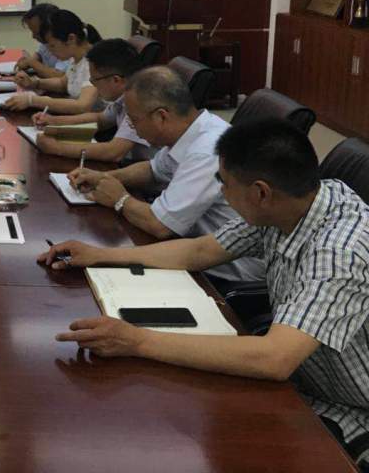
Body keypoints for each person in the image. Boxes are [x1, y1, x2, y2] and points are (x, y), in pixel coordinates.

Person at [39, 119, 369, 470]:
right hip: (304, 376)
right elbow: (200, 251)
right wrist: (100, 255)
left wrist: (136, 341)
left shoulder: (339, 253)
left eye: (224, 183)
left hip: (349, 406)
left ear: (260, 193)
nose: (222, 193)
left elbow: (275, 358)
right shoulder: (293, 202)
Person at [67, 66, 263, 282]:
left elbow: (161, 225)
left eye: (134, 120)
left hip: (221, 274)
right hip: (189, 250)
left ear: (161, 116)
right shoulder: (192, 130)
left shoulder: (207, 151)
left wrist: (119, 199)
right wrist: (106, 178)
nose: (132, 127)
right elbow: (153, 170)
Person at [32, 38, 150, 163]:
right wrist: (53, 121)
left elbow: (114, 152)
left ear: (116, 80)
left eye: (95, 80)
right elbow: (100, 119)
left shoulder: (140, 101)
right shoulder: (125, 95)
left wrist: (56, 148)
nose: (92, 84)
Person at [3, 9, 101, 115]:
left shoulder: (94, 62)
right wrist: (34, 83)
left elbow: (82, 106)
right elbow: (63, 83)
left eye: (52, 46)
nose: (50, 51)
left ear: (71, 39)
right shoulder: (76, 58)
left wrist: (32, 100)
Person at [14, 3, 70, 79]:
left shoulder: (67, 42)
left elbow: (59, 75)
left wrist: (31, 62)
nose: (33, 36)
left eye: (36, 33)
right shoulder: (45, 41)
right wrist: (27, 62)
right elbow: (39, 54)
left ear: (49, 29)